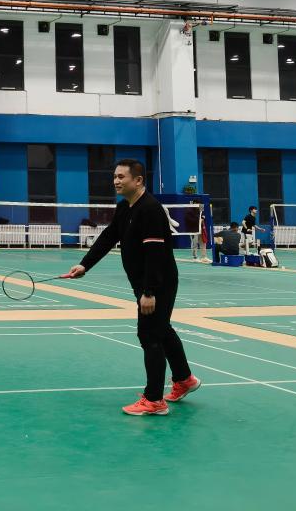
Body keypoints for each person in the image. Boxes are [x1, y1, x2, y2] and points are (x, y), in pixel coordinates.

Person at [67, 159, 200, 415]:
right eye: (114, 176)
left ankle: (154, 400)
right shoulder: (125, 207)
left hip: (158, 282)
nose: (116, 181)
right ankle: (184, 379)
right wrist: (85, 265)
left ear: (138, 180)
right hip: (144, 281)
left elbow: (155, 253)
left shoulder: (149, 209)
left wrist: (149, 292)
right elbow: (108, 237)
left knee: (150, 335)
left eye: (121, 177)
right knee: (162, 329)